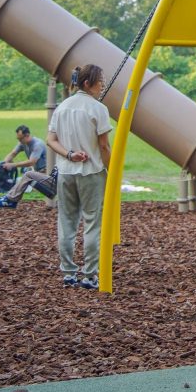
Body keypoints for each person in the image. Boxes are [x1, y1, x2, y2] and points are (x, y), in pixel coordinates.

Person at [46, 65, 112, 290]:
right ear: (87, 83)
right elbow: (104, 146)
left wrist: (70, 155)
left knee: (66, 222)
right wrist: (112, 170)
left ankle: (68, 273)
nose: (103, 84)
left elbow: (51, 140)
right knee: (92, 223)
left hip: (66, 172)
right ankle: (90, 275)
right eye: (100, 80)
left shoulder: (62, 107)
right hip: (91, 173)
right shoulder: (98, 108)